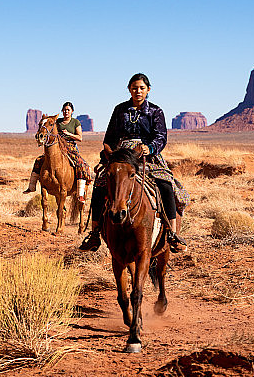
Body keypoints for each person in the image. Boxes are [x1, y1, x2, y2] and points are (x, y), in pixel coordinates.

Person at [79, 73, 188, 253]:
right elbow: (109, 137)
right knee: (100, 185)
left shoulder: (156, 111)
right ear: (129, 89)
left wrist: (150, 148)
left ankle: (172, 233)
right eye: (134, 88)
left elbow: (161, 137)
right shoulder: (120, 110)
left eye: (142, 88)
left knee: (166, 185)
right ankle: (95, 233)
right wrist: (109, 155)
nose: (138, 91)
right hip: (122, 156)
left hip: (147, 156)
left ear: (148, 90)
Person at [24, 102, 93, 203]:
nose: (66, 112)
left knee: (81, 164)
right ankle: (31, 186)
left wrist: (68, 134)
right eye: (64, 110)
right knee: (39, 160)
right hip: (58, 146)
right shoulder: (57, 121)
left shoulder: (75, 122)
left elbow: (80, 138)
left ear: (72, 111)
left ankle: (80, 193)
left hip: (70, 147)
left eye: (68, 110)